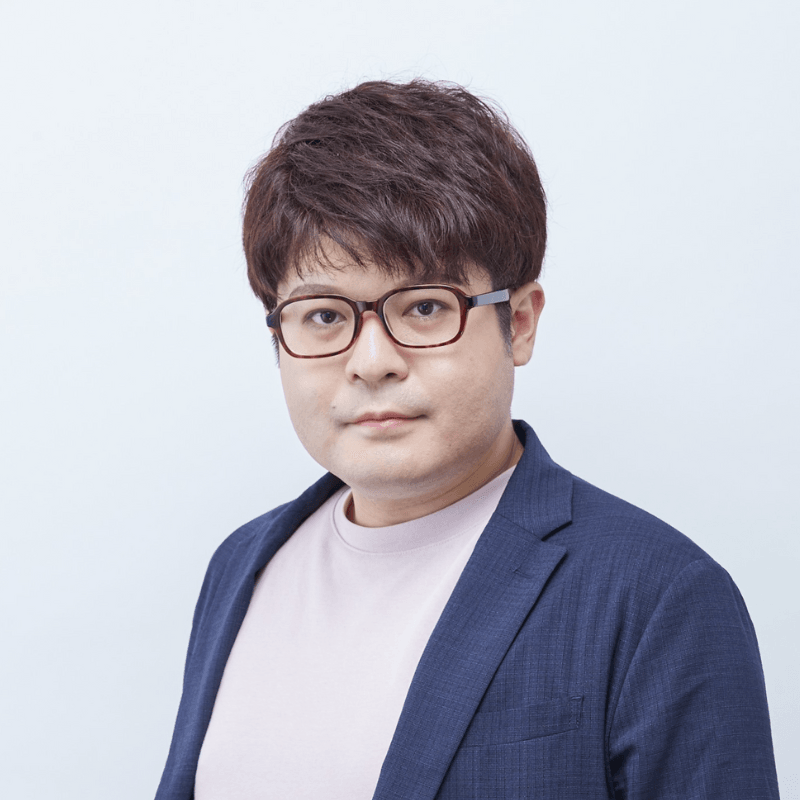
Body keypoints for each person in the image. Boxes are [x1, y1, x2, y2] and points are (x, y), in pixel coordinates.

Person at [155, 80, 779, 799]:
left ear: (520, 322)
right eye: (323, 316)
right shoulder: (242, 566)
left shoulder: (658, 597)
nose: (372, 362)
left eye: (424, 307)